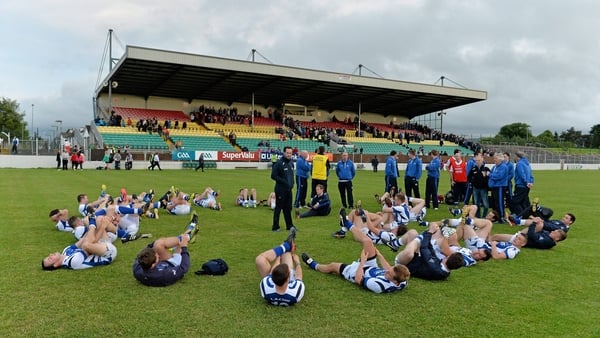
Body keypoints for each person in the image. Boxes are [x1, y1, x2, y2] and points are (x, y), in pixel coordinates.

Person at [302, 210, 410, 293]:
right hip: (372, 266)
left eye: (389, 273)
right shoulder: (402, 280)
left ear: (394, 282)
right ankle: (346, 223)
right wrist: (379, 255)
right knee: (368, 241)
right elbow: (388, 268)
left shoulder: (378, 285)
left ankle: (313, 265)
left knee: (333, 266)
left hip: (358, 272)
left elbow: (359, 279)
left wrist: (362, 262)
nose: (387, 271)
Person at [133, 212, 199, 287]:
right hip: (174, 264)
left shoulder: (138, 268)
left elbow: (148, 248)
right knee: (176, 243)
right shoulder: (164, 275)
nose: (158, 255)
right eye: (157, 256)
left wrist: (155, 244)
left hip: (163, 264)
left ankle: (187, 236)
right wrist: (184, 247)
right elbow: (184, 268)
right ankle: (187, 236)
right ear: (153, 264)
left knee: (158, 244)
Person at [41, 214, 118, 270]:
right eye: (50, 259)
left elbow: (83, 239)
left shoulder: (65, 251)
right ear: (56, 264)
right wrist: (100, 227)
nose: (50, 255)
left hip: (100, 245)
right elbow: (88, 245)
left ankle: (117, 224)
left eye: (48, 256)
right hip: (107, 254)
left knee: (100, 219)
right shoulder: (72, 262)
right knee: (85, 245)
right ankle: (97, 223)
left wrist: (94, 227)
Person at [393, 222, 464, 280]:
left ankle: (396, 245)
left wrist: (429, 232)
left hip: (404, 264)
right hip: (415, 260)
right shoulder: (444, 268)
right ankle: (395, 244)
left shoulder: (435, 268)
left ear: (448, 257)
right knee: (413, 233)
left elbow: (424, 248)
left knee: (409, 253)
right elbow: (431, 250)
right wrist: (429, 233)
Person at [256, 228, 305, 306]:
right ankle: (286, 247)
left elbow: (272, 272)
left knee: (260, 259)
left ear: (273, 279)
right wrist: (297, 262)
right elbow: (299, 276)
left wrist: (278, 258)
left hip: (277, 284)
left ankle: (285, 247)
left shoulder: (266, 286)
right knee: (286, 254)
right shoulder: (296, 292)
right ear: (288, 278)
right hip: (286, 283)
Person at [271, 146, 295, 232]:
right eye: (287, 153)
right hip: (280, 189)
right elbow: (273, 176)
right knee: (278, 208)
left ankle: (290, 225)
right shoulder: (279, 163)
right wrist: (284, 181)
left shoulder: (291, 163)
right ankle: (275, 226)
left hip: (289, 190)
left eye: (290, 153)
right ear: (284, 153)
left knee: (288, 208)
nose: (289, 155)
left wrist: (292, 183)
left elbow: (291, 175)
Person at [467, 152, 490, 218]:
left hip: (483, 189)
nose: (478, 162)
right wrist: (473, 182)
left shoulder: (486, 169)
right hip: (475, 188)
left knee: (485, 204)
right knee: (476, 204)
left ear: (482, 160)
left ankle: (484, 216)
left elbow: (489, 178)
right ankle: (478, 216)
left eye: (479, 160)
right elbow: (469, 177)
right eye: (476, 160)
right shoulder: (473, 169)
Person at [511, 151, 534, 215]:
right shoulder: (527, 164)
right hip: (527, 186)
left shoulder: (519, 164)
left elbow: (522, 174)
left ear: (517, 157)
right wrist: (531, 182)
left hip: (521, 185)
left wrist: (526, 182)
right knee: (524, 202)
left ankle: (521, 215)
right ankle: (529, 215)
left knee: (515, 202)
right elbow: (531, 174)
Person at [488, 153, 509, 223]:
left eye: (495, 158)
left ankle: (501, 217)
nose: (494, 160)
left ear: (500, 159)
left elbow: (499, 176)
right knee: (494, 202)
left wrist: (490, 175)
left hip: (500, 187)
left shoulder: (503, 167)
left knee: (499, 202)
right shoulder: (495, 167)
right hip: (494, 187)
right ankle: (496, 217)